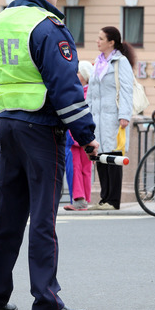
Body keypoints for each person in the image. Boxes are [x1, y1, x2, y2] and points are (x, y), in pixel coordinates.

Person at [0, 0, 99, 310]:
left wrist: (9, 105)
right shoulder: (47, 27)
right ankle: (46, 300)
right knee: (43, 216)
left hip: (8, 124)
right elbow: (65, 89)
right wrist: (87, 135)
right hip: (42, 129)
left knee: (5, 214)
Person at [87, 27, 135, 210]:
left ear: (111, 42)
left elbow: (126, 90)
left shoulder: (120, 62)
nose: (97, 41)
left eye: (101, 38)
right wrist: (87, 115)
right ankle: (103, 198)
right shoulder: (98, 63)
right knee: (100, 157)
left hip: (113, 117)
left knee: (113, 157)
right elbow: (91, 93)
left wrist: (124, 115)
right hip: (97, 118)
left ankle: (113, 200)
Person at [64, 60, 94, 211]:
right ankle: (85, 199)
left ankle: (78, 199)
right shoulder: (92, 92)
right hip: (88, 136)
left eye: (78, 72)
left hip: (74, 135)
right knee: (85, 169)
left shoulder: (77, 92)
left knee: (74, 168)